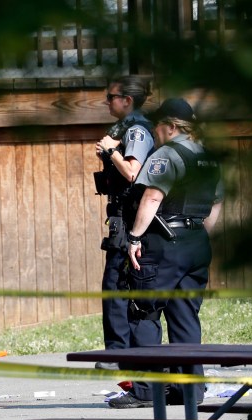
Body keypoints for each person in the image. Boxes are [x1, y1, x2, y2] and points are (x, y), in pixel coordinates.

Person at [108, 98, 223, 409]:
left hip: (163, 242)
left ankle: (146, 389)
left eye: (158, 127)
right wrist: (197, 237)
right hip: (197, 241)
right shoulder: (209, 158)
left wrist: (134, 237)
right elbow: (215, 205)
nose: (155, 133)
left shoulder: (168, 154)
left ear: (171, 126)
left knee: (144, 310)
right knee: (185, 315)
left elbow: (152, 196)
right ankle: (190, 390)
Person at [93, 76, 155, 370]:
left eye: (111, 96)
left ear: (127, 100)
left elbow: (133, 172)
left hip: (130, 217)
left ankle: (119, 353)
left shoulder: (138, 130)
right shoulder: (126, 128)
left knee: (116, 283)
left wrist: (111, 152)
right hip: (123, 214)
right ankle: (123, 352)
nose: (107, 101)